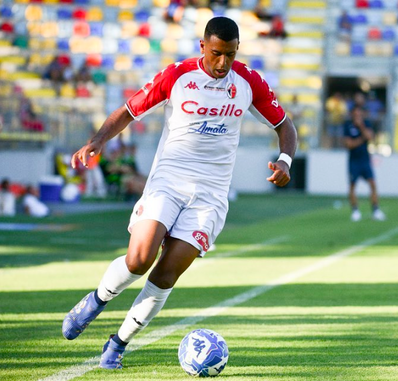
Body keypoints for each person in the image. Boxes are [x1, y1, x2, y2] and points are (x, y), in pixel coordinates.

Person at [62, 16, 297, 369]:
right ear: (203, 46)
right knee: (139, 259)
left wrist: (285, 161)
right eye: (216, 53)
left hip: (211, 196)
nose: (223, 63)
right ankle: (97, 299)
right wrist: (97, 141)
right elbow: (128, 111)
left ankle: (119, 342)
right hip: (169, 181)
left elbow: (284, 125)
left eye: (230, 55)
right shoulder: (177, 76)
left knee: (166, 273)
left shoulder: (248, 81)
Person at [343, 106, 385, 222]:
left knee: (372, 184)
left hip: (365, 160)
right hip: (353, 161)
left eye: (359, 114)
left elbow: (370, 137)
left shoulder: (366, 124)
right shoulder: (348, 125)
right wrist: (362, 139)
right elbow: (349, 144)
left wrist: (361, 127)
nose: (357, 117)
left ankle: (376, 209)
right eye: (355, 114)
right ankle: (355, 210)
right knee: (352, 186)